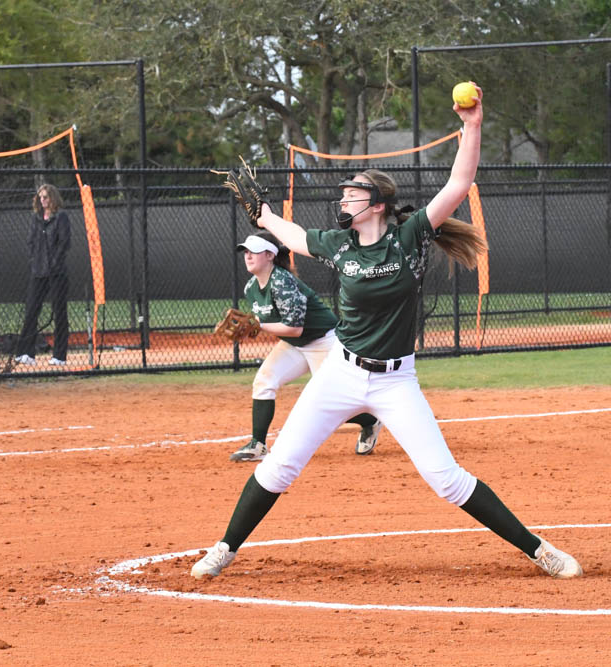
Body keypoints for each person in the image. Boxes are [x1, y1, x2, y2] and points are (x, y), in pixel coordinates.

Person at [191, 85, 583, 580]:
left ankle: (539, 550)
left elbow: (459, 184)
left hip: (397, 381)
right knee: (280, 467)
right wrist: (263, 215)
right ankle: (224, 549)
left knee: (447, 480)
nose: (344, 197)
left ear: (376, 203)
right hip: (340, 372)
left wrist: (474, 124)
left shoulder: (410, 237)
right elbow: (291, 236)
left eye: (353, 192)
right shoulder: (339, 244)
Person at [229, 230, 382, 461]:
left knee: (330, 403)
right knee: (264, 381)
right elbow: (279, 327)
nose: (248, 256)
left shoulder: (283, 282)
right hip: (295, 345)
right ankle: (258, 445)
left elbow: (295, 328)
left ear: (270, 255)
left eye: (255, 251)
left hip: (324, 341)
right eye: (246, 252)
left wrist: (259, 325)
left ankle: (370, 421)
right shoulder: (251, 288)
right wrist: (253, 327)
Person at [14, 183, 70, 366]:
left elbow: (64, 243)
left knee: (59, 312)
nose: (43, 200)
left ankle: (59, 356)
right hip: (38, 271)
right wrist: (35, 260)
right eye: (40, 197)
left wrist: (54, 263)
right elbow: (31, 241)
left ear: (53, 198)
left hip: (56, 273)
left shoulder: (61, 217)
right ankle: (26, 352)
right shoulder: (36, 218)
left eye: (46, 197)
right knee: (31, 310)